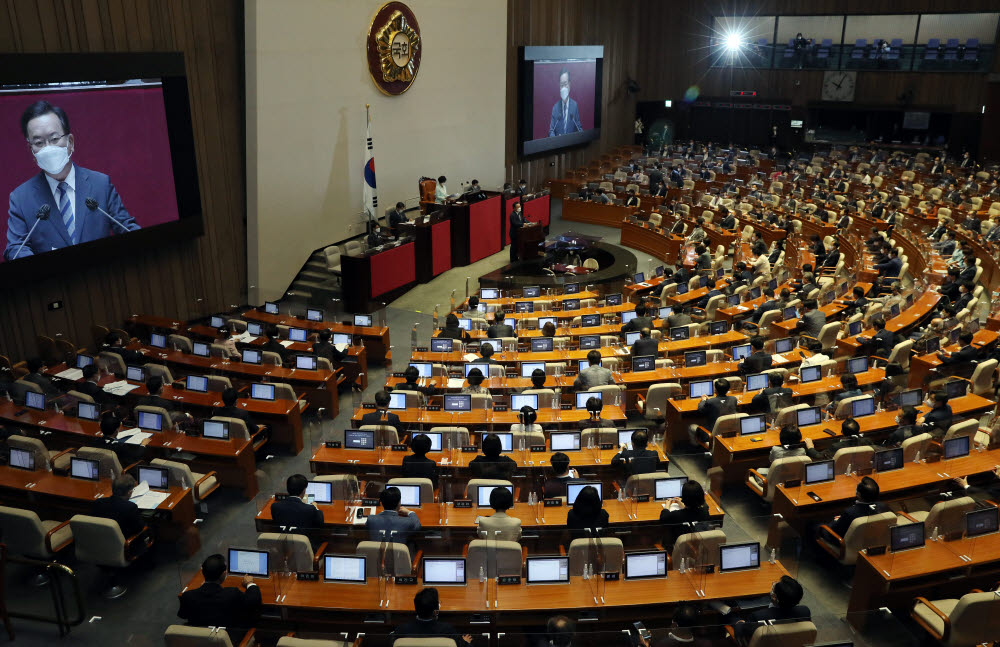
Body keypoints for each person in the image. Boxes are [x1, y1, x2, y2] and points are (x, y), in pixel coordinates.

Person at [6, 100, 140, 261]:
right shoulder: (20, 198)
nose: (48, 148)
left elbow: (127, 228)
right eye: (39, 143)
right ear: (31, 151)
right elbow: (15, 248)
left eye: (54, 139)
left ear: (70, 142)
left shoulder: (100, 184)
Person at [177, 553, 261, 641]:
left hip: (199, 641)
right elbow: (254, 601)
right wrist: (249, 583)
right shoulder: (232, 594)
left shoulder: (187, 596)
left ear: (202, 571)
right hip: (228, 640)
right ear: (224, 573)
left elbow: (183, 615)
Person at [734, 576, 811, 644]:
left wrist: (739, 622)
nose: (773, 585)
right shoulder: (804, 611)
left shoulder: (758, 617)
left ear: (774, 597)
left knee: (732, 617)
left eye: (774, 586)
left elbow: (742, 631)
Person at [820, 476, 888, 543]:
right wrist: (843, 518)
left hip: (844, 542)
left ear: (858, 494)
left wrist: (837, 521)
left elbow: (835, 531)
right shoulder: (883, 507)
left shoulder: (850, 512)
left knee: (815, 525)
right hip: (872, 540)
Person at [393, 588, 472, 645]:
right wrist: (465, 642)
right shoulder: (447, 630)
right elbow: (462, 645)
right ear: (435, 612)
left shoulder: (401, 630)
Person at [91, 474, 146, 538]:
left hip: (101, 540)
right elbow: (139, 528)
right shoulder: (131, 507)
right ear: (129, 492)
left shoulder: (99, 502)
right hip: (125, 543)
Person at [659, 480, 710, 548]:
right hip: (700, 546)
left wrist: (667, 505)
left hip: (681, 548)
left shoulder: (678, 515)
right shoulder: (705, 511)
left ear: (684, 498)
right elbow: (694, 510)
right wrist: (684, 505)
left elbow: (663, 517)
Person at [691, 379, 737, 445]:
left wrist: (703, 400)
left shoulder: (711, 402)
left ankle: (697, 451)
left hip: (712, 435)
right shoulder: (733, 399)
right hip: (728, 433)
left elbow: (701, 409)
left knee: (691, 427)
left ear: (715, 390)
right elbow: (722, 404)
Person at [805, 417, 870, 458]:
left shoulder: (836, 447)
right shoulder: (867, 441)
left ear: (842, 432)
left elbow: (818, 456)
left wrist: (810, 447)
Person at [548, 67, 582, 137]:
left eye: (565, 84)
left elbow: (579, 128)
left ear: (569, 84)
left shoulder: (574, 106)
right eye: (561, 85)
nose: (563, 88)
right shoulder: (555, 108)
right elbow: (551, 131)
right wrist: (556, 140)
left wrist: (582, 136)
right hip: (559, 146)